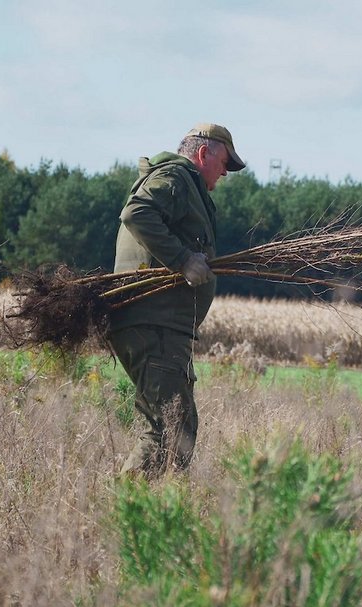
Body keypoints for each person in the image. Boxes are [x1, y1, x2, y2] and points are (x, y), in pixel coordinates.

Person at [107, 123, 245, 478]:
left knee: (176, 425)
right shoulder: (177, 177)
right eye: (224, 164)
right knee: (170, 430)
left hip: (162, 326)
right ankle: (131, 510)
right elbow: (137, 213)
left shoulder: (186, 185)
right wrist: (183, 260)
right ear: (204, 154)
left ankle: (152, 511)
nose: (224, 174)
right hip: (155, 325)